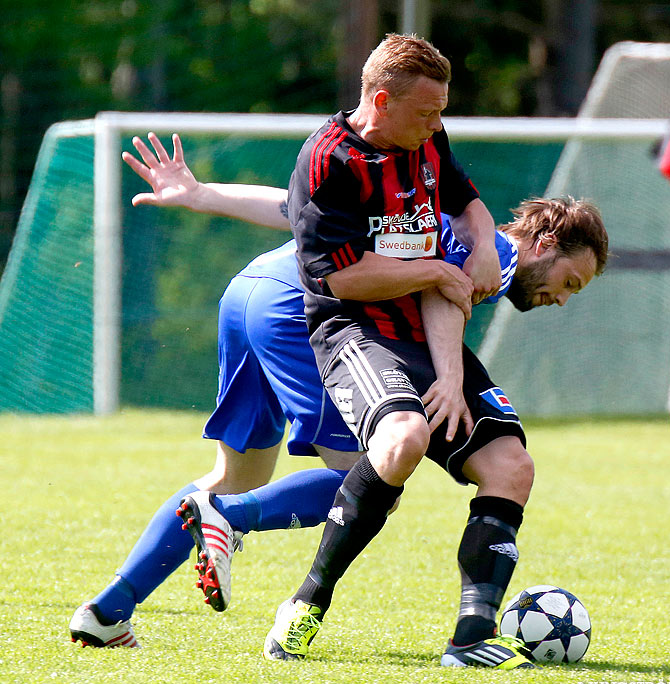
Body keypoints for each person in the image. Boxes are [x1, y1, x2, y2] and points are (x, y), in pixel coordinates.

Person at [68, 125, 607, 651]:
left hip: (251, 291)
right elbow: (444, 291)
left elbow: (297, 209)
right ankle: (228, 523)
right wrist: (448, 377)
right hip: (299, 311)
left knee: (235, 476)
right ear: (545, 242)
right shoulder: (495, 253)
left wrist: (203, 195)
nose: (562, 298)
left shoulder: (427, 214)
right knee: (368, 476)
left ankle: (107, 610)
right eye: (570, 283)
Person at [252, 33, 608, 670]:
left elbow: (468, 205)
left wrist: (470, 255)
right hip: (354, 327)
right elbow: (340, 279)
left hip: (427, 332)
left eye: (442, 111)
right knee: (403, 439)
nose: (437, 124)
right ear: (381, 101)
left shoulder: (424, 141)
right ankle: (306, 603)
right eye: (428, 112)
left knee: (511, 468)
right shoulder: (327, 163)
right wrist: (439, 273)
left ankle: (472, 636)